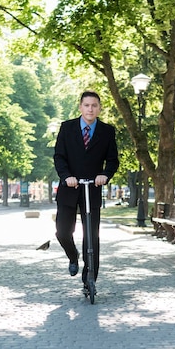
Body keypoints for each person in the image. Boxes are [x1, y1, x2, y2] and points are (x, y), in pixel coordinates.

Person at [54, 90, 119, 293]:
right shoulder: (67, 128)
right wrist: (66, 176)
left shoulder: (107, 131)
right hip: (70, 188)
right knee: (63, 231)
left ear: (99, 108)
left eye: (94, 105)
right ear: (80, 107)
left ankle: (89, 279)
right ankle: (73, 257)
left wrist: (105, 175)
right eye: (87, 105)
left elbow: (113, 160)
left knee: (92, 237)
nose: (90, 109)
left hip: (92, 188)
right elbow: (59, 157)